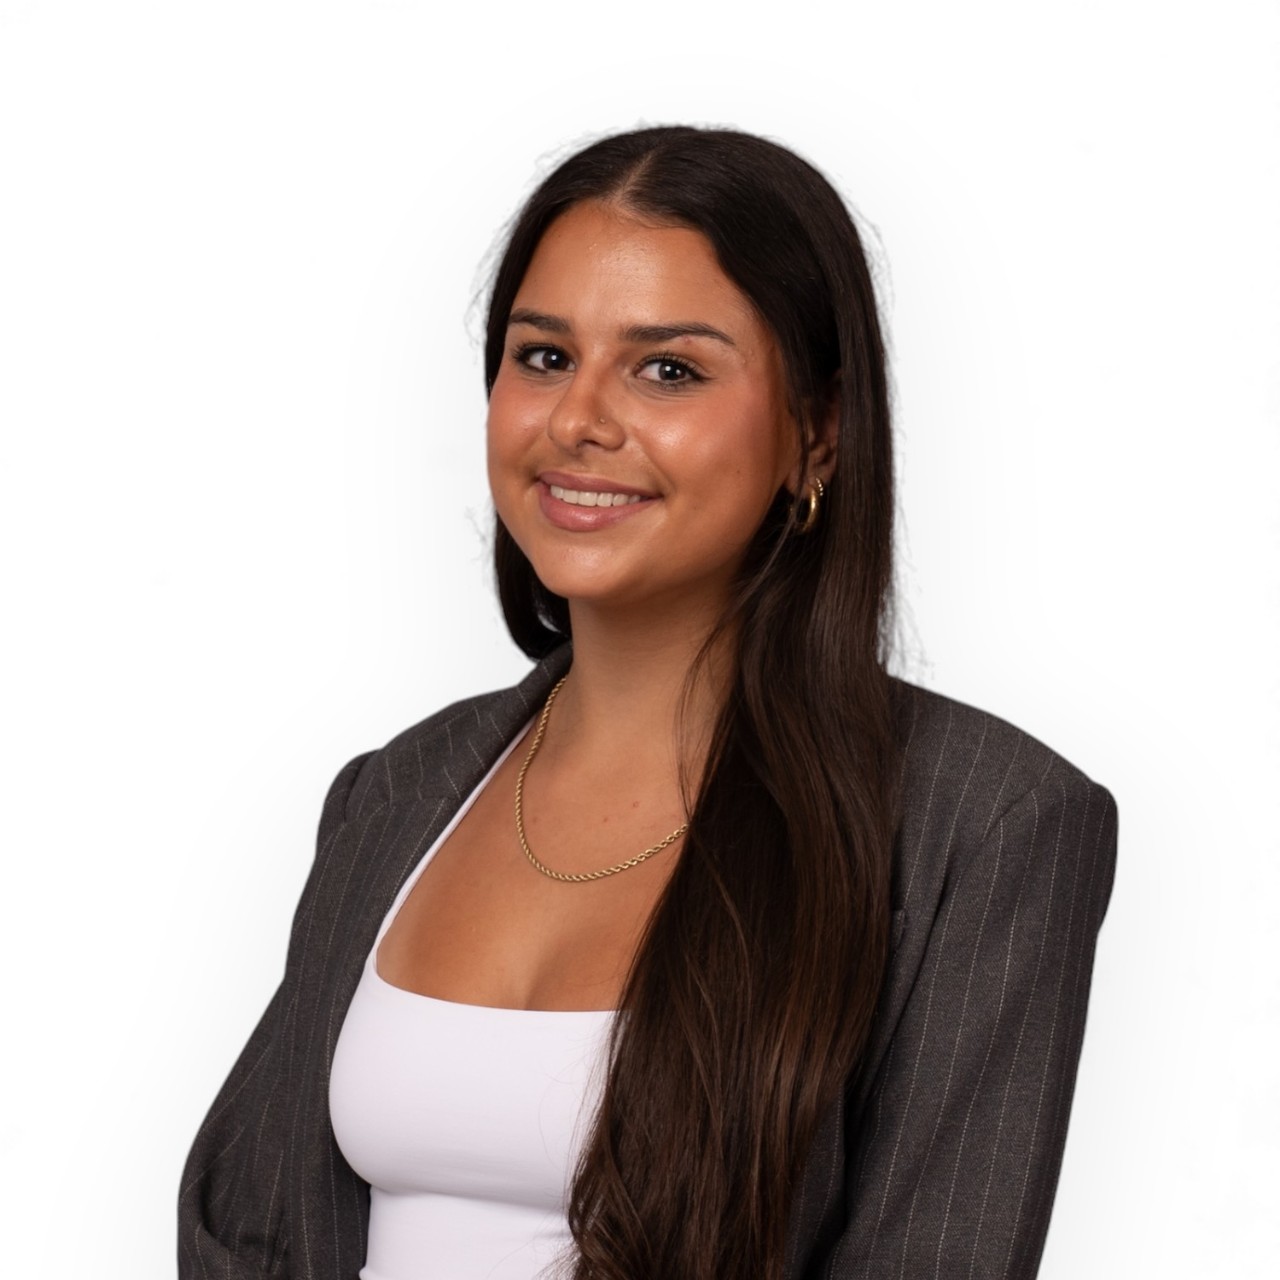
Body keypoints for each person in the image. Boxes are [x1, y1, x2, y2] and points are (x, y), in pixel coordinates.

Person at [178, 125, 1117, 1280]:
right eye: (541, 357)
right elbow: (254, 1231)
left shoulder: (980, 822)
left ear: (814, 432)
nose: (579, 420)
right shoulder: (395, 791)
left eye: (666, 368)